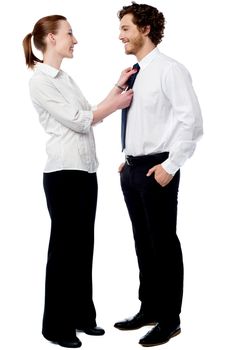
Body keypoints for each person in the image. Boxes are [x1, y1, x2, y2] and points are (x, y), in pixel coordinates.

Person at [22, 15, 134, 349]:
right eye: (70, 33)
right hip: (63, 176)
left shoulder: (65, 78)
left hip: (85, 173)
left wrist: (117, 86)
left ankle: (82, 317)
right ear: (52, 38)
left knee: (83, 248)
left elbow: (89, 111)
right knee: (64, 252)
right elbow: (78, 121)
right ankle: (56, 327)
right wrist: (116, 104)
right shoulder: (39, 80)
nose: (75, 39)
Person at [114, 2, 203, 347]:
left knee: (164, 245)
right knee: (142, 243)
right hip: (134, 169)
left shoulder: (170, 70)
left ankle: (170, 321)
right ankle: (149, 309)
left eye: (125, 28)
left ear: (145, 29)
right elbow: (144, 119)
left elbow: (191, 122)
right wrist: (127, 157)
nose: (119, 34)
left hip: (158, 169)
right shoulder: (135, 71)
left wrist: (170, 165)